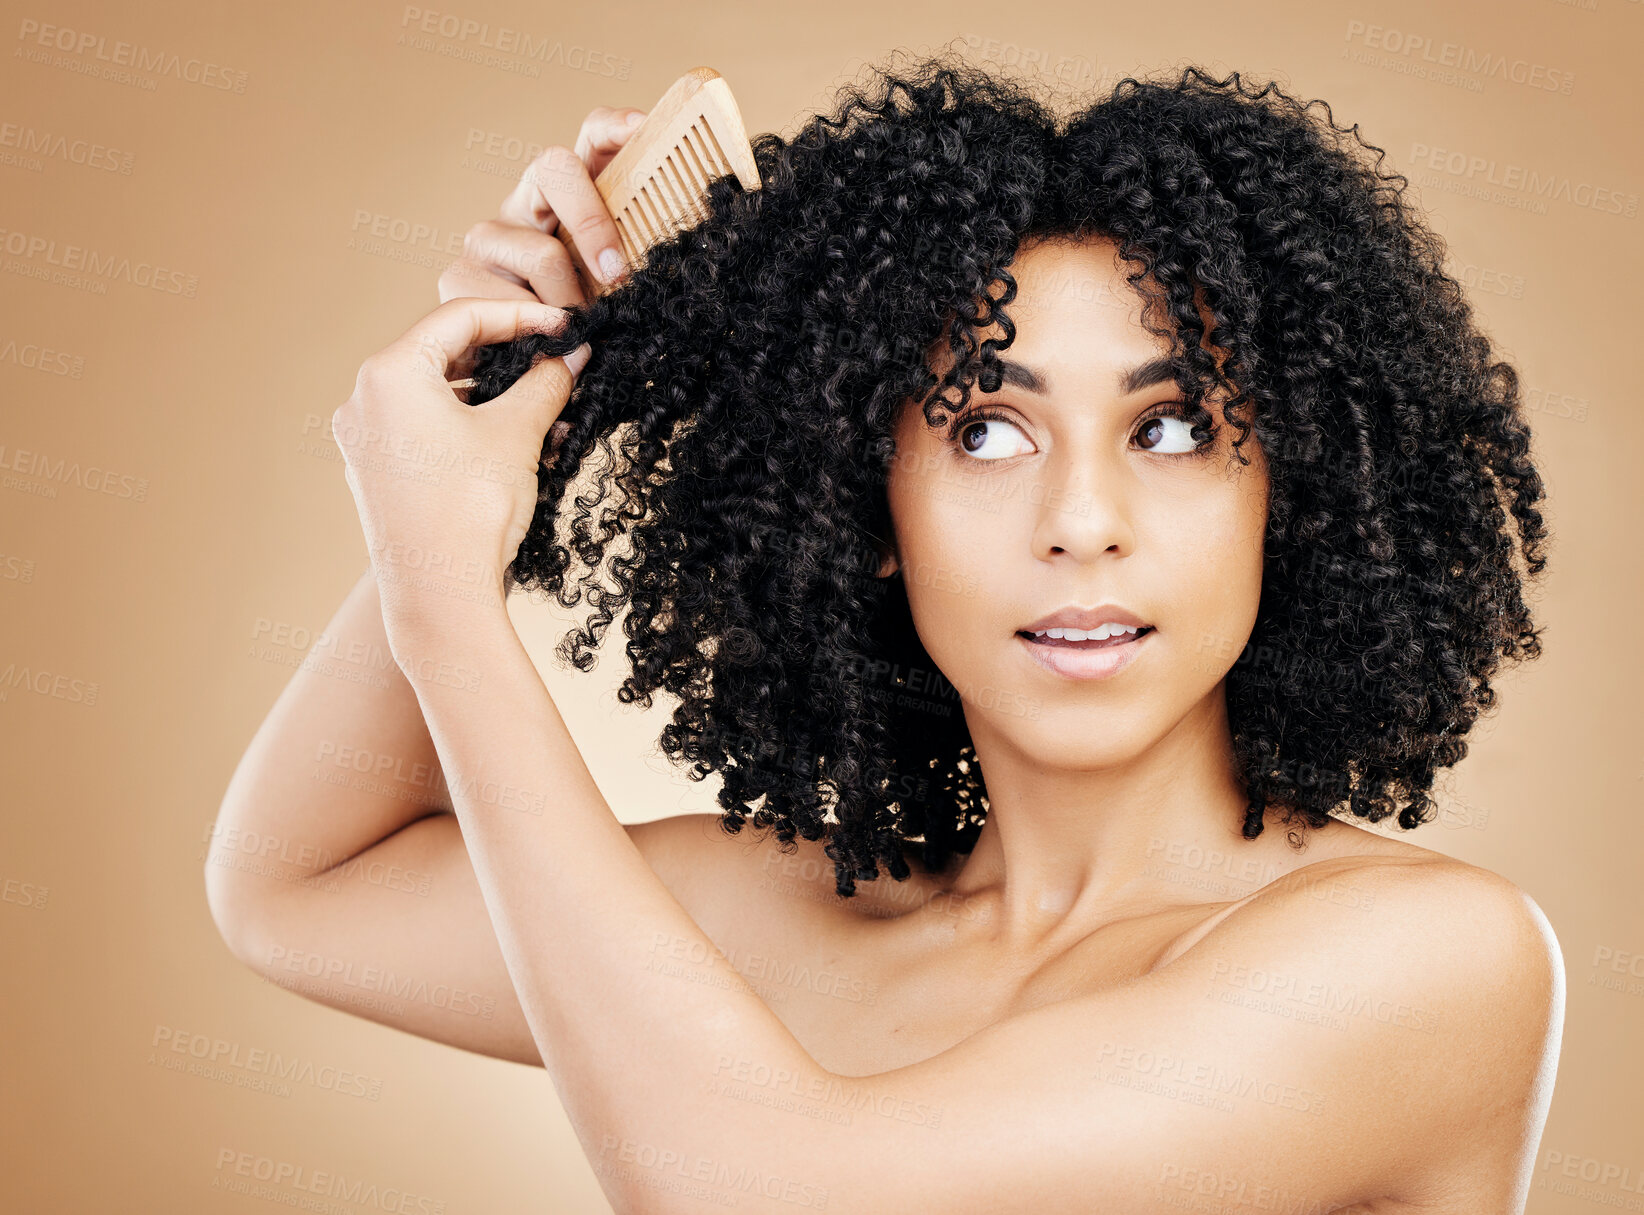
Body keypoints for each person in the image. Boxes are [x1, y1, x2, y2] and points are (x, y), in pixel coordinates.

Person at [205, 54, 1564, 1213]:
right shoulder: (798, 924)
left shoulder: (1425, 959)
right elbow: (299, 883)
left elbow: (768, 1194)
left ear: (1294, 492)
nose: (1082, 520)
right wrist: (543, 395)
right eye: (985, 430)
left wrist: (442, 584)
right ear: (868, 504)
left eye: (1169, 428)